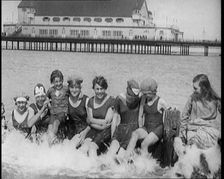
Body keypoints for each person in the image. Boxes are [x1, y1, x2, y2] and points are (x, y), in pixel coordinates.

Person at [125, 77, 169, 157]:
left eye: (147, 94)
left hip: (158, 129)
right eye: (144, 94)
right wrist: (141, 128)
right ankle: (126, 157)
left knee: (144, 144)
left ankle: (143, 164)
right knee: (135, 134)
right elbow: (140, 115)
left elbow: (169, 114)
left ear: (153, 92)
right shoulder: (143, 99)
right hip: (147, 127)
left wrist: (166, 134)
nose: (145, 96)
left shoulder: (161, 101)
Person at [176, 74, 221, 150]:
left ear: (203, 88)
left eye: (195, 88)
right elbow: (184, 116)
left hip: (210, 129)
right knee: (193, 143)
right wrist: (182, 132)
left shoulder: (215, 99)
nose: (193, 90)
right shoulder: (192, 98)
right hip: (194, 128)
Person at [79, 76, 115, 157]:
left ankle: (95, 169)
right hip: (93, 130)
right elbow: (89, 120)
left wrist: (92, 121)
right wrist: (94, 122)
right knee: (83, 148)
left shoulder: (111, 101)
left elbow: (106, 123)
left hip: (105, 132)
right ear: (94, 89)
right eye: (97, 89)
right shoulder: (91, 101)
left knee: (92, 148)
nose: (99, 91)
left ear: (105, 88)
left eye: (101, 89)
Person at [107, 79, 141, 159]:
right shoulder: (119, 98)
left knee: (121, 154)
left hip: (132, 132)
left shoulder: (140, 99)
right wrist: (112, 136)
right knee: (111, 151)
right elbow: (115, 118)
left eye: (134, 97)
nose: (133, 98)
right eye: (131, 96)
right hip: (121, 130)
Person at [66, 75, 91, 147]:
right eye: (72, 87)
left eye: (77, 87)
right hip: (72, 132)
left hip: (85, 131)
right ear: (69, 88)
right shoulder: (66, 99)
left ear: (80, 88)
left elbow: (91, 122)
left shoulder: (86, 100)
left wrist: (84, 133)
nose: (74, 90)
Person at [46, 69, 69, 145]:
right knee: (49, 129)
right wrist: (48, 104)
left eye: (60, 81)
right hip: (53, 114)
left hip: (63, 113)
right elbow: (46, 97)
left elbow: (74, 91)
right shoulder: (50, 90)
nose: (58, 83)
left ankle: (53, 140)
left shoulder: (66, 89)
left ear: (62, 80)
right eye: (56, 82)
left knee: (55, 124)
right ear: (52, 82)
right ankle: (50, 146)